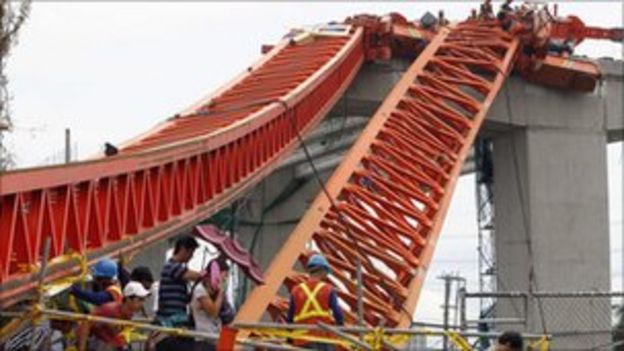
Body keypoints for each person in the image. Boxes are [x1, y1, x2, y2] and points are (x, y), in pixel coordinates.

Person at [154, 235, 202, 351]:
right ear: (183, 249)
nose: (191, 257)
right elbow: (194, 276)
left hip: (174, 318)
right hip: (170, 318)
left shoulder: (175, 269)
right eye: (191, 252)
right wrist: (206, 275)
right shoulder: (172, 267)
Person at [287, 253, 344, 351]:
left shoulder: (296, 290)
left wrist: (289, 336)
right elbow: (338, 313)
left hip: (302, 340)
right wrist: (340, 328)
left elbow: (290, 318)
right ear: (322, 270)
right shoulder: (328, 289)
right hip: (323, 338)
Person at [77, 281, 150, 351]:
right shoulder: (111, 310)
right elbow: (86, 323)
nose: (142, 303)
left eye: (143, 300)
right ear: (128, 299)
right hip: (99, 344)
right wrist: (82, 349)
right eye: (140, 300)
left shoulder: (128, 313)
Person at [190, 256, 230, 351]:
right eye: (224, 276)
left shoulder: (213, 293)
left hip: (216, 340)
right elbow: (213, 312)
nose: (225, 280)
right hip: (204, 341)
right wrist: (220, 293)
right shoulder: (200, 290)